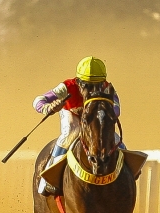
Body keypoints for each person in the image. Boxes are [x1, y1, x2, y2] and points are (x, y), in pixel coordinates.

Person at [33, 56, 122, 194]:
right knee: (70, 133)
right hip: (72, 115)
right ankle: (48, 178)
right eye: (88, 85)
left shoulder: (107, 88)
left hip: (95, 118)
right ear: (78, 81)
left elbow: (117, 108)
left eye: (97, 85)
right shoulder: (67, 87)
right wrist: (49, 107)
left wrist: (106, 111)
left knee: (115, 138)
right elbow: (39, 100)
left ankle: (127, 169)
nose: (93, 90)